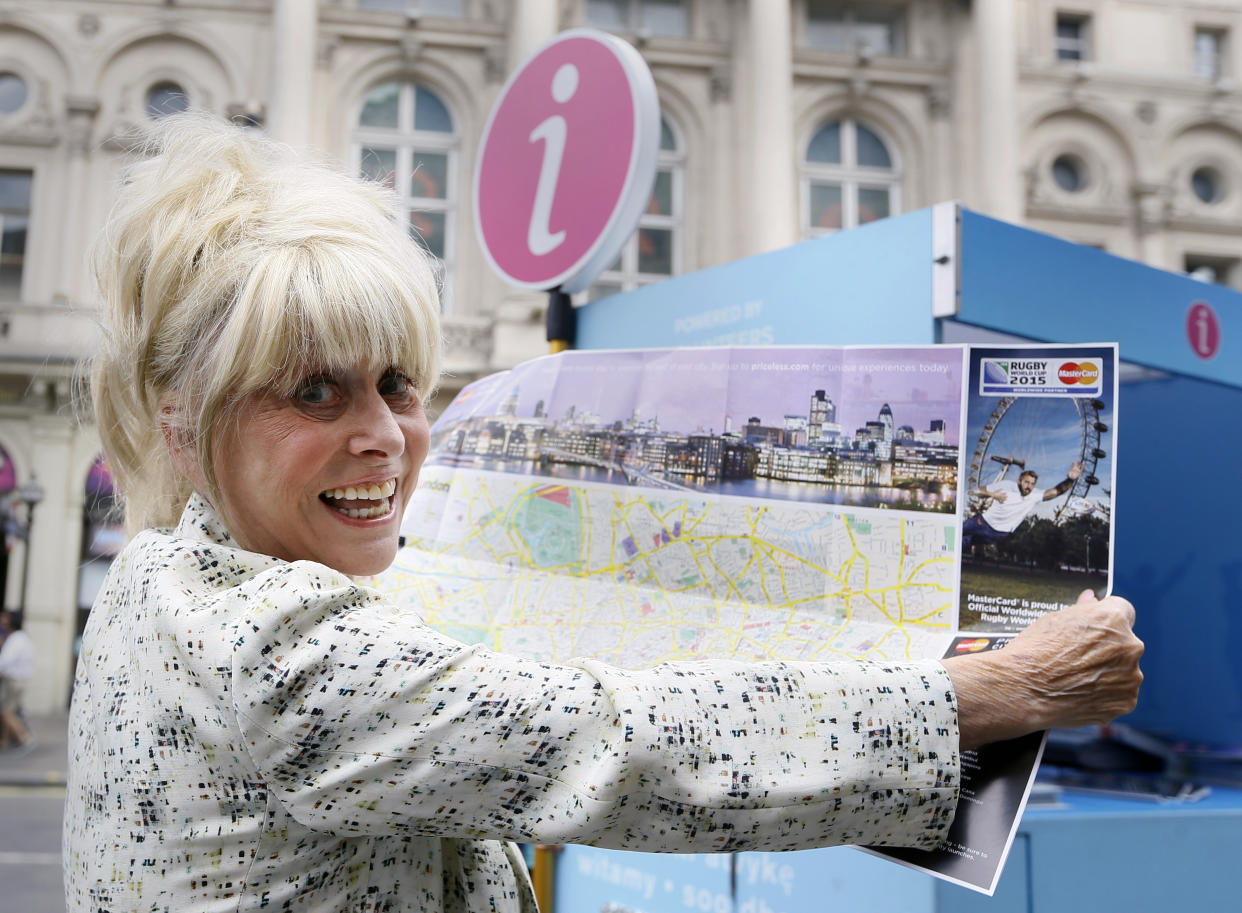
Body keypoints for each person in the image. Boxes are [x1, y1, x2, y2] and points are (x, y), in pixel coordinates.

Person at [64, 115, 1143, 913]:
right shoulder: (275, 648)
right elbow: (615, 746)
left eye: (399, 381)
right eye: (313, 390)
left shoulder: (158, 580)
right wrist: (999, 692)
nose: (386, 433)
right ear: (180, 424)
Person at [962, 460, 1083, 549]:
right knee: (957, 531)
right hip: (982, 522)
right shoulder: (1006, 486)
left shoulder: (1034, 495)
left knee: (964, 542)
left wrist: (1070, 480)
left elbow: (1056, 491)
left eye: (1032, 484)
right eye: (1026, 482)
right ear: (1019, 481)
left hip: (999, 534)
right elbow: (977, 491)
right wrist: (992, 494)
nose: (1028, 486)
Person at [0, 609, 35, 750]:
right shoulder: (23, 638)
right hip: (19, 679)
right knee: (11, 710)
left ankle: (25, 737)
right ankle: (5, 741)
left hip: (12, 680)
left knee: (6, 711)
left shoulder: (15, 640)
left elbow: (5, 661)